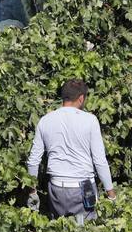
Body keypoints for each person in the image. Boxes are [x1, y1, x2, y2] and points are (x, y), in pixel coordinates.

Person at [26, 79, 115, 223]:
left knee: (59, 230)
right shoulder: (90, 120)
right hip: (83, 191)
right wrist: (111, 194)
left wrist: (32, 192)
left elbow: (33, 161)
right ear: (81, 98)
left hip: (56, 189)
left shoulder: (45, 120)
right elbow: (99, 161)